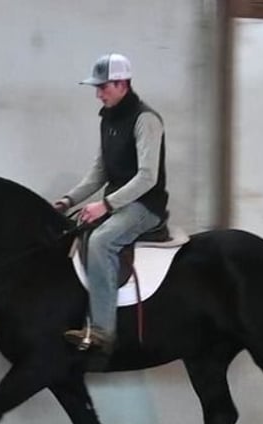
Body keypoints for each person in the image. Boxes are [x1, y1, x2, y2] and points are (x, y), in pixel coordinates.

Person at [55, 53, 169, 354]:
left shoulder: (146, 120)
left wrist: (104, 206)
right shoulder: (109, 120)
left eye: (103, 87)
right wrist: (68, 201)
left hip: (145, 207)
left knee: (102, 241)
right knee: (76, 229)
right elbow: (99, 172)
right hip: (120, 203)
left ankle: (104, 332)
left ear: (121, 84)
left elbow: (147, 177)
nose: (98, 94)